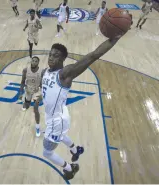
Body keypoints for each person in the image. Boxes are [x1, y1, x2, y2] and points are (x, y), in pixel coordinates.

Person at [41, 24, 131, 179]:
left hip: (57, 119)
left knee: (47, 152)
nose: (51, 57)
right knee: (61, 136)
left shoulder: (65, 74)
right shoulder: (45, 72)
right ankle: (76, 150)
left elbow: (93, 55)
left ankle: (70, 168)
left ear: (63, 59)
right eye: (50, 54)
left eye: (55, 55)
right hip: (55, 114)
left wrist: (115, 37)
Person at [19, 56, 42, 137]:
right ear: (31, 61)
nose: (34, 62)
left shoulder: (41, 72)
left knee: (35, 108)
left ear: (38, 63)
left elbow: (42, 84)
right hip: (28, 89)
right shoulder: (25, 70)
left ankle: (38, 127)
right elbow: (22, 82)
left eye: (36, 61)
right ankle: (26, 102)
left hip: (37, 91)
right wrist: (20, 92)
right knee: (27, 105)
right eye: (33, 60)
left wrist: (42, 94)